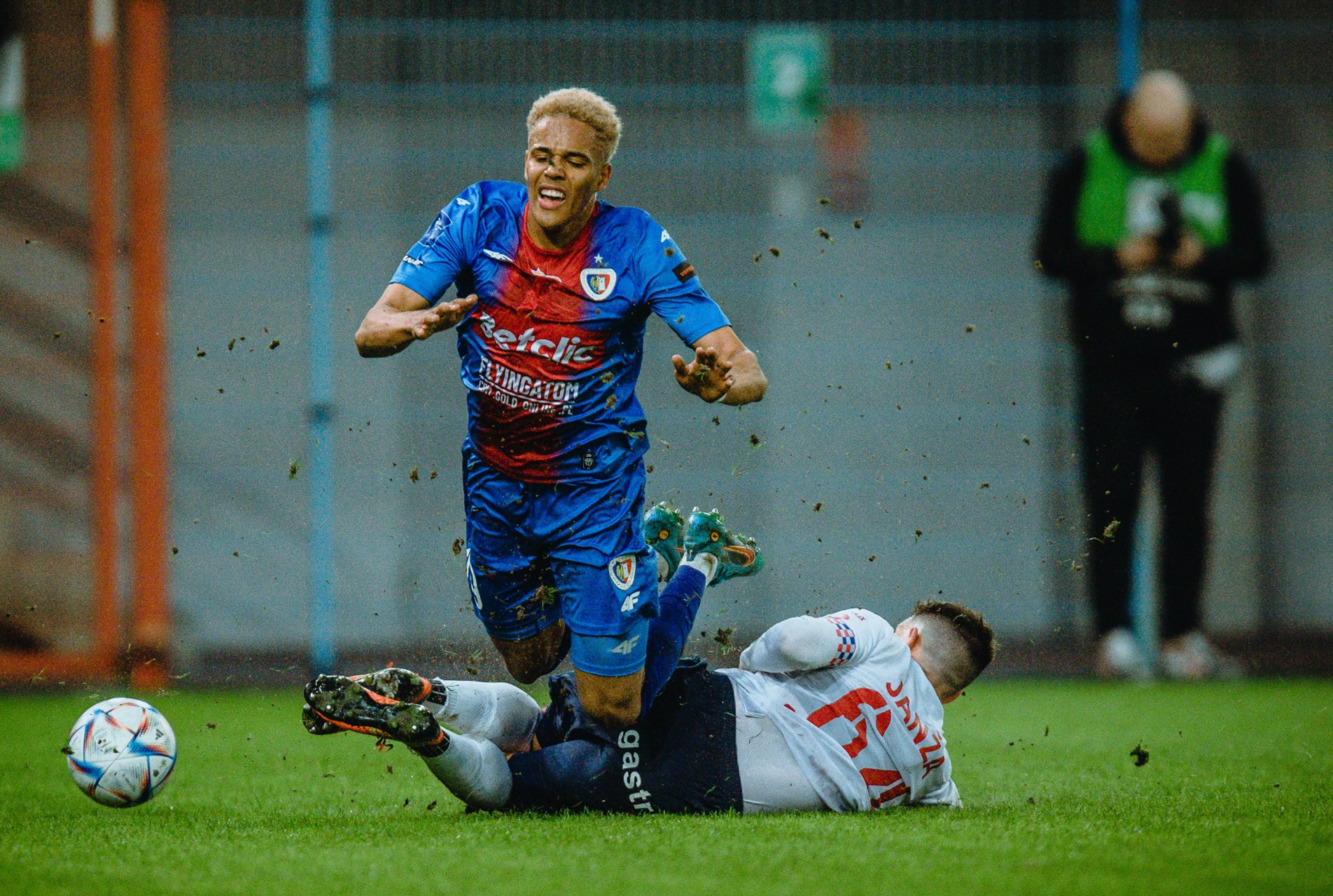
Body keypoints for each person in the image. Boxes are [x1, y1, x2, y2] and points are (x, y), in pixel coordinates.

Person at [353, 87, 767, 729]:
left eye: (574, 162)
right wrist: (412, 324)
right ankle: (636, 570)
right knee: (532, 660)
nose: (553, 172)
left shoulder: (635, 243)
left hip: (594, 490)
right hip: (495, 481)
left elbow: (746, 369)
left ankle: (692, 562)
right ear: (526, 160)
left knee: (613, 710)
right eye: (542, 156)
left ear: (601, 177)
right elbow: (371, 329)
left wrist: (723, 383)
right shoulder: (479, 214)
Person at [302, 505, 996, 815]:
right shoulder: (935, 768)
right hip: (703, 788)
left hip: (716, 708)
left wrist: (755, 660)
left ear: (911, 637)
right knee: (511, 784)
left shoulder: (880, 638)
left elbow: (793, 647)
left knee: (547, 716)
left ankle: (687, 564)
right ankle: (428, 736)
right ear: (953, 696)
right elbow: (949, 806)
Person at [1034, 70, 1270, 680]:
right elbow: (1048, 254)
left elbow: (1257, 256)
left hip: (1194, 368)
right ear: (1128, 121)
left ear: (1191, 124)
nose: (1164, 156)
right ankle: (1114, 635)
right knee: (1111, 501)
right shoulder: (1083, 165)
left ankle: (1181, 635)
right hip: (1110, 367)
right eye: (1152, 143)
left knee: (1189, 504)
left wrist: (1204, 258)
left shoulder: (1224, 164)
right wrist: (1117, 257)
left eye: (1174, 143)